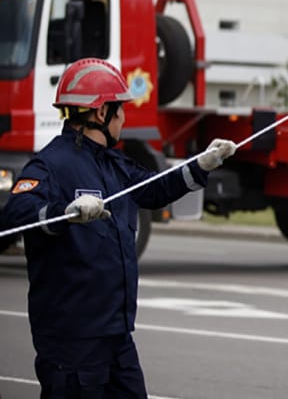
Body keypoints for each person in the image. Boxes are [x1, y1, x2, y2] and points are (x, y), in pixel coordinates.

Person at [1, 58, 237, 398]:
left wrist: (201, 164)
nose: (124, 117)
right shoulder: (50, 164)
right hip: (71, 340)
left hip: (117, 336)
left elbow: (156, 189)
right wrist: (63, 213)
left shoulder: (114, 165)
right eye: (120, 108)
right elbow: (16, 214)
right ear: (101, 113)